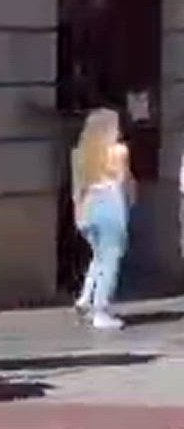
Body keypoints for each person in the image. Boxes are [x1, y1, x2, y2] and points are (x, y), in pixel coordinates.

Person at [71, 108, 133, 330]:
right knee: (111, 259)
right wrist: (129, 205)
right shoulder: (118, 151)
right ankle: (101, 310)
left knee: (98, 256)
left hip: (88, 205)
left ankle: (85, 299)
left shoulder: (80, 154)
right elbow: (124, 182)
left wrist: (79, 213)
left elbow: (78, 188)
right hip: (111, 203)